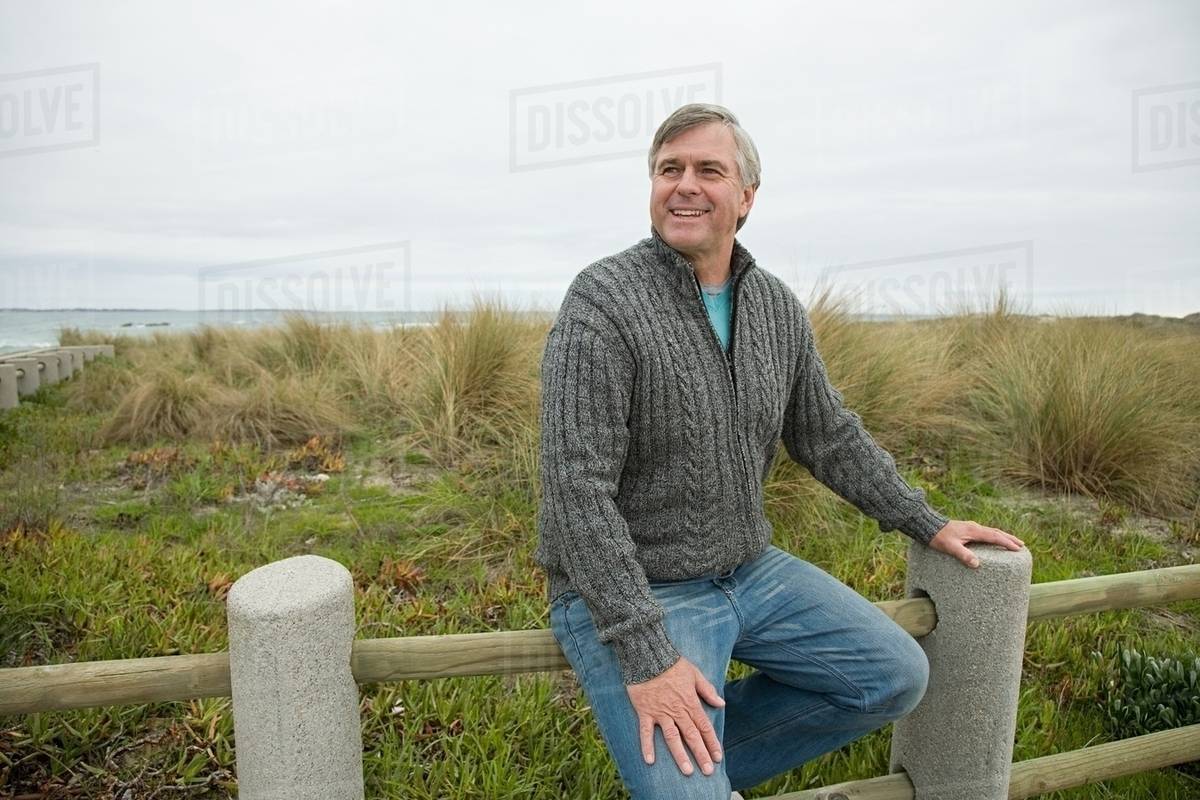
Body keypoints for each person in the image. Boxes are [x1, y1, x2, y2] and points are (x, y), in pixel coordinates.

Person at [534, 103, 1025, 799]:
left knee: (895, 676)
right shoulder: (602, 301)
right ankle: (687, 777)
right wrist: (648, 656)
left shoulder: (774, 307)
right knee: (686, 788)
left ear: (747, 197)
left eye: (709, 169)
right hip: (637, 588)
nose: (685, 185)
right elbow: (575, 490)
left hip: (748, 570)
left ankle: (692, 771)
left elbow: (828, 434)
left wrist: (928, 521)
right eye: (668, 169)